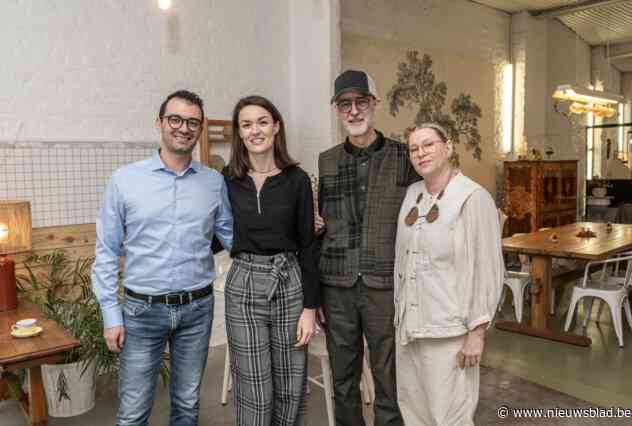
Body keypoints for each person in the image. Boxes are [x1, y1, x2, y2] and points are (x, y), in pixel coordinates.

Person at [91, 90, 233, 426]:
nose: (184, 127)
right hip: (142, 311)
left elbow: (233, 236)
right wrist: (111, 313)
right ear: (160, 123)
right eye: (176, 119)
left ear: (199, 128)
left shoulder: (213, 182)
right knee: (133, 411)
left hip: (197, 310)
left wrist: (289, 236)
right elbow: (107, 251)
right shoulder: (125, 180)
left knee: (187, 405)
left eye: (192, 122)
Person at [316, 70, 419, 426]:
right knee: (343, 379)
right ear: (336, 109)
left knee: (388, 377)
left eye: (361, 102)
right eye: (346, 104)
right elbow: (321, 222)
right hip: (337, 288)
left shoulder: (404, 157)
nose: (354, 111)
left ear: (374, 104)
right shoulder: (326, 161)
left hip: (384, 286)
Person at [394, 123, 504, 425]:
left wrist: (477, 332)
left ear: (449, 147)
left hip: (448, 330)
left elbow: (489, 268)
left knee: (450, 414)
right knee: (414, 411)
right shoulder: (412, 194)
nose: (421, 153)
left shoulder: (473, 198)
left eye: (428, 145)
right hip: (409, 326)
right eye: (414, 149)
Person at [223, 95, 318, 426]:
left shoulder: (297, 180)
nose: (255, 130)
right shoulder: (228, 180)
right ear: (239, 132)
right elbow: (213, 236)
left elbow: (307, 246)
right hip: (243, 286)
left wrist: (310, 308)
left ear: (276, 127)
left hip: (288, 282)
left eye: (262, 122)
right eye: (246, 124)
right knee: (255, 392)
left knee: (291, 386)